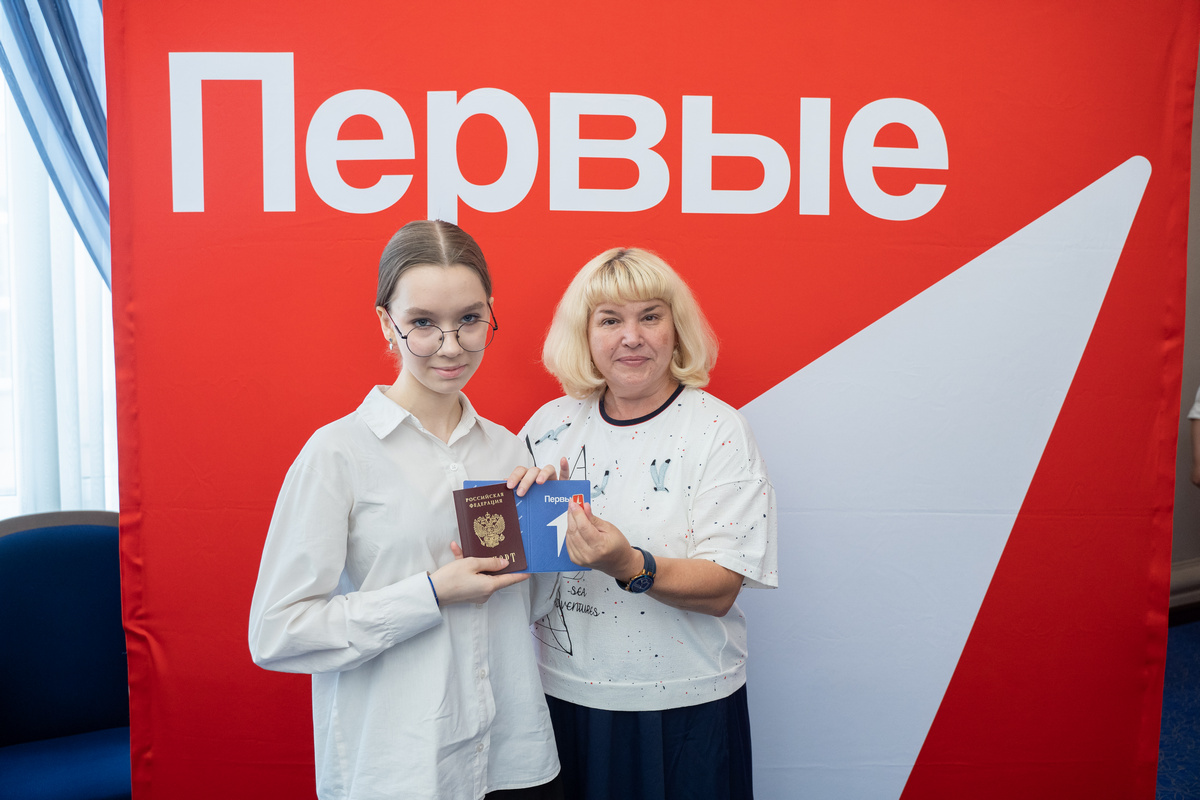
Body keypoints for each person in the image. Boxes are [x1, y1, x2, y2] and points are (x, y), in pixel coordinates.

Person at [248, 220, 562, 800]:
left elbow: (531, 606)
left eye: (470, 319)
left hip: (511, 756)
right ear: (385, 323)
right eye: (422, 323)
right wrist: (432, 593)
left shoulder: (508, 449)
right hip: (400, 768)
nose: (451, 346)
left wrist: (553, 530)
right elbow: (278, 633)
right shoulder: (338, 453)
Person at [520, 247, 778, 800]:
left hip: (687, 706)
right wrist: (499, 530)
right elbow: (526, 568)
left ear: (676, 328)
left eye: (650, 317)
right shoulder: (549, 425)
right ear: (584, 334)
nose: (631, 337)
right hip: (562, 696)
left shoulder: (718, 429)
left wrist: (628, 564)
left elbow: (722, 589)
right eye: (610, 320)